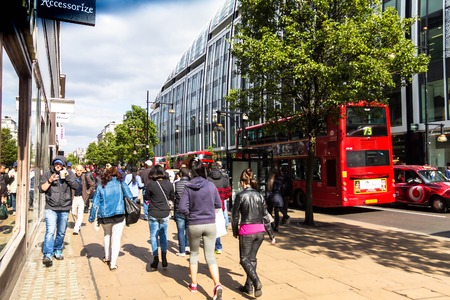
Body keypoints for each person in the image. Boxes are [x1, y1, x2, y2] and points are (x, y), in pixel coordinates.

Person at [179, 158, 223, 300]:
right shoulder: (210, 186)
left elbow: (181, 207)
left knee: (194, 254)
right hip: (210, 223)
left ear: (191, 172)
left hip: (194, 224)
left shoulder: (188, 187)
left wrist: (190, 214)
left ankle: (194, 284)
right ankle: (217, 285)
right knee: (210, 256)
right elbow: (218, 204)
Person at [232, 168, 276, 298]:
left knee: (244, 259)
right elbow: (265, 216)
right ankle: (248, 286)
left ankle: (256, 282)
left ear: (242, 182)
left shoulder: (240, 196)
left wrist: (235, 231)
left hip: (247, 230)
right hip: (260, 231)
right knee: (252, 259)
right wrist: (271, 235)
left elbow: (235, 216)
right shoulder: (259, 195)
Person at [88, 166, 133, 271]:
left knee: (107, 235)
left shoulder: (101, 186)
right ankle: (113, 263)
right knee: (116, 239)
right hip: (119, 215)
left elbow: (95, 203)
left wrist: (91, 217)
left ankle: (107, 256)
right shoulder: (121, 184)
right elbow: (130, 196)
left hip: (104, 216)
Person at [39, 156, 80, 267]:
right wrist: (50, 180)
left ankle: (57, 250)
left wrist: (67, 178)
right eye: (56, 163)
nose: (58, 165)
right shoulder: (48, 174)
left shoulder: (69, 174)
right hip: (51, 207)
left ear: (63, 165)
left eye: (60, 164)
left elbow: (76, 186)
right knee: (50, 231)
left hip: (64, 207)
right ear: (54, 164)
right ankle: (48, 254)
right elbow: (41, 189)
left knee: (61, 232)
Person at [144, 164, 175, 270]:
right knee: (164, 235)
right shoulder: (169, 184)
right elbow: (172, 197)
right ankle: (164, 257)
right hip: (165, 212)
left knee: (153, 235)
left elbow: (146, 197)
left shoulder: (151, 184)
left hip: (153, 212)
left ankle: (156, 257)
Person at [207, 162, 231, 254]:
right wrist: (223, 198)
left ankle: (212, 245)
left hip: (209, 206)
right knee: (217, 226)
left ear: (210, 169)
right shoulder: (224, 180)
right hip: (220, 206)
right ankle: (218, 246)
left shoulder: (208, 180)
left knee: (211, 226)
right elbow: (228, 193)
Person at [72, 165, 96, 235]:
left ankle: (76, 229)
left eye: (80, 170)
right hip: (74, 197)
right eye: (77, 170)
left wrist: (88, 191)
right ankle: (78, 224)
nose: (79, 172)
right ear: (75, 171)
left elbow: (93, 184)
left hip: (81, 198)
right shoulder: (73, 177)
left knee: (80, 213)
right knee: (73, 213)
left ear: (82, 171)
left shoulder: (85, 177)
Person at [174, 167, 190, 256]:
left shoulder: (176, 183)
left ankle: (182, 250)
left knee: (180, 230)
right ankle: (187, 246)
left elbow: (174, 195)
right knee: (188, 229)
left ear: (180, 174)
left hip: (179, 209)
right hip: (189, 209)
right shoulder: (191, 184)